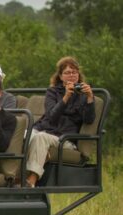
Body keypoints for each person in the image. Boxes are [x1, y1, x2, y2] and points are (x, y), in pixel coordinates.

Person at [24, 56, 95, 187]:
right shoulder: (52, 92)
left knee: (40, 138)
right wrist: (66, 97)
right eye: (67, 73)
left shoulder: (84, 96)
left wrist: (90, 98)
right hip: (45, 129)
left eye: (74, 72)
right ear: (61, 77)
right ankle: (16, 176)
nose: (71, 75)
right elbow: (52, 117)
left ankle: (31, 179)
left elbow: (89, 120)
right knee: (23, 136)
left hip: (65, 139)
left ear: (79, 75)